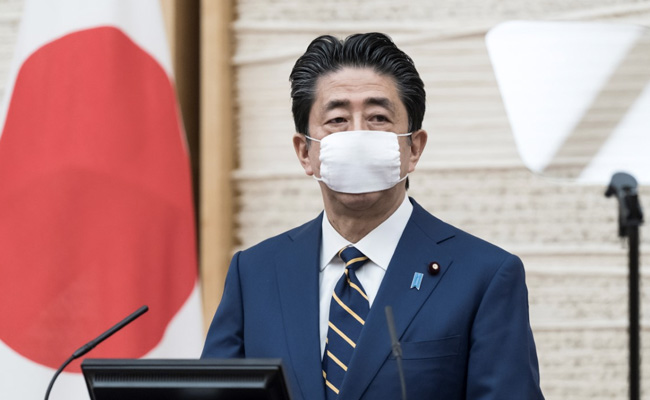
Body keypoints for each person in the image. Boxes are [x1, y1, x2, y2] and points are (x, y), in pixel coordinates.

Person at [202, 32, 544, 400]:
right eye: (337, 119)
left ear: (414, 148)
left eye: (378, 117)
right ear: (305, 152)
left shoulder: (484, 275)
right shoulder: (255, 273)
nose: (358, 135)